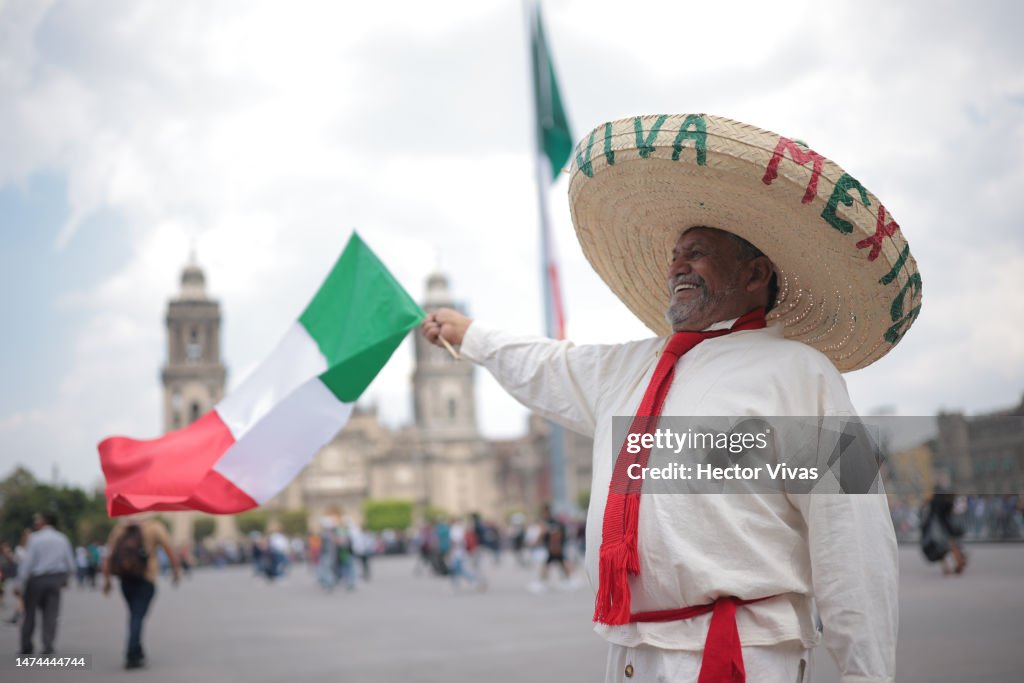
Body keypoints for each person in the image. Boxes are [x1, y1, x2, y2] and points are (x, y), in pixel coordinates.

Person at [422, 114, 918, 682]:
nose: (677, 264)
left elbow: (854, 541)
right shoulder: (632, 366)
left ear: (756, 273)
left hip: (738, 655)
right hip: (633, 653)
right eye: (675, 254)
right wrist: (471, 336)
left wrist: (868, 675)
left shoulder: (805, 375)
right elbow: (549, 365)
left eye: (698, 251)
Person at [103, 513, 181, 669]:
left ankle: (137, 650)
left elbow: (109, 555)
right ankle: (132, 653)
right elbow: (168, 548)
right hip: (146, 576)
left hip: (125, 578)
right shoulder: (154, 527)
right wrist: (176, 570)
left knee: (134, 614)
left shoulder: (121, 528)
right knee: (138, 615)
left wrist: (107, 580)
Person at [18, 512, 76, 655]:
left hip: (36, 579)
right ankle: (48, 644)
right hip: (55, 579)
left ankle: (26, 645)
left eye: (37, 519)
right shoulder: (61, 538)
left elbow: (28, 562)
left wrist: (20, 581)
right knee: (51, 613)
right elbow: (70, 564)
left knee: (30, 613)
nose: (35, 522)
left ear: (44, 521)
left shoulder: (35, 538)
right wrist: (64, 579)